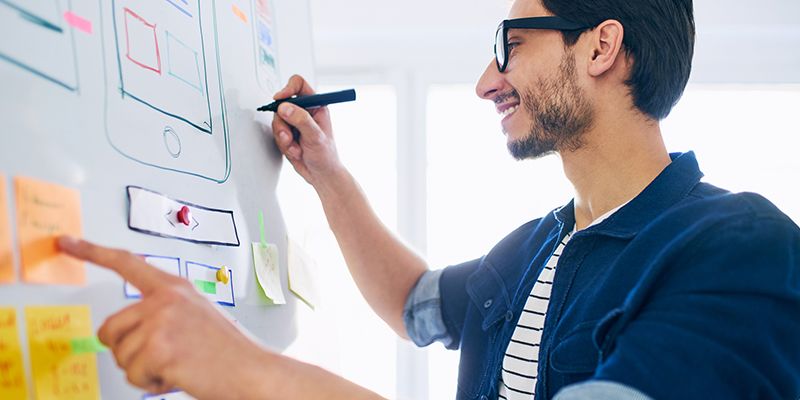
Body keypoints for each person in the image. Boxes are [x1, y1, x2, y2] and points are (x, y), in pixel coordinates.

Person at [59, 0, 800, 398]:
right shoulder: (539, 246)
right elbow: (413, 301)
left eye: (510, 41)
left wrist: (253, 372)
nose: (486, 81)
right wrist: (327, 172)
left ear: (600, 48)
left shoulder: (742, 249)